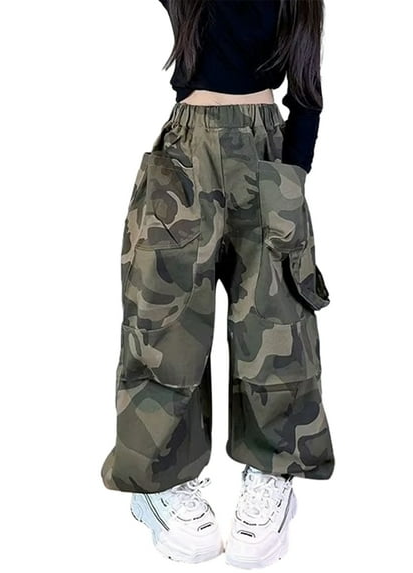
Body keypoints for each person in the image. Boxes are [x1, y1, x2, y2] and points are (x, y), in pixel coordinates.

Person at [100, 0, 335, 567]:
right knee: (165, 322)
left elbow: (306, 94)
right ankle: (158, 481)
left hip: (268, 152)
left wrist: (292, 175)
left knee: (278, 322)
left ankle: (274, 471)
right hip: (186, 155)